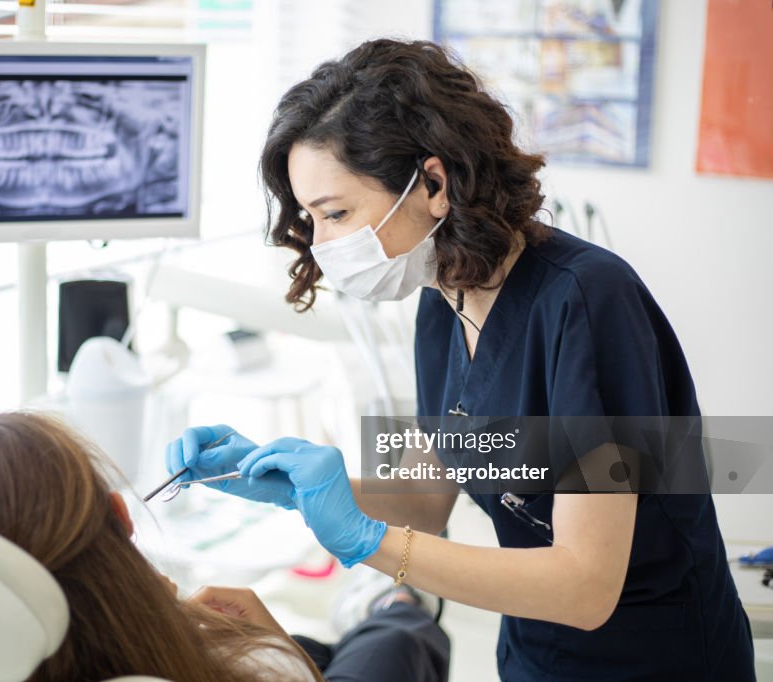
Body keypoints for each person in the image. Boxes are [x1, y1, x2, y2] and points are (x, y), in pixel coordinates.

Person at [167, 39, 756, 681]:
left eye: (335, 214)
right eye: (310, 218)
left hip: (653, 660)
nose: (321, 243)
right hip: (534, 651)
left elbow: (587, 585)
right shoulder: (443, 304)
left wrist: (368, 544)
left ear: (434, 183)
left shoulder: (587, 303)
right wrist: (295, 491)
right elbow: (427, 498)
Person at [0, 411, 448, 682]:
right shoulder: (265, 664)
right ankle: (394, 606)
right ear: (123, 517)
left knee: (323, 644)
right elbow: (444, 493)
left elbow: (452, 472)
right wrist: (278, 653)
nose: (318, 240)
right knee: (393, 641)